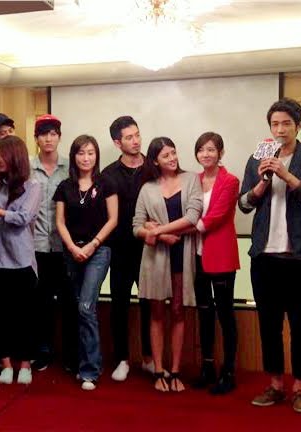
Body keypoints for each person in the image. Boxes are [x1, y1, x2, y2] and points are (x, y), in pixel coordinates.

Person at [239, 98, 301, 414]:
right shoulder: (258, 158)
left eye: (286, 123)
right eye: (275, 124)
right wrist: (262, 183)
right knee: (269, 326)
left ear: (298, 126)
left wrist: (287, 175)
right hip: (265, 258)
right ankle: (276, 385)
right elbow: (244, 204)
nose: (279, 129)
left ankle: (300, 388)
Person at [133, 137, 202, 392]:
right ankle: (159, 371)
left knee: (178, 310)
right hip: (155, 258)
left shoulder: (191, 179)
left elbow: (193, 218)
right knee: (157, 314)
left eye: (173, 153)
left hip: (183, 254)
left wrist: (157, 229)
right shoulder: (147, 188)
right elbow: (136, 226)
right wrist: (158, 236)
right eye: (165, 155)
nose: (172, 158)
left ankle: (175, 371)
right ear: (155, 161)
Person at [0, 135, 41, 386]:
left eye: (2, 155)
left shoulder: (32, 185)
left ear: (15, 156)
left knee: (24, 316)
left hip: (21, 260)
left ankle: (24, 364)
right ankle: (5, 364)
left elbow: (22, 218)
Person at [54, 134, 118, 391]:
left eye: (90, 153)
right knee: (77, 307)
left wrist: (93, 245)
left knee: (86, 306)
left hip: (98, 252)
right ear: (73, 156)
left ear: (96, 156)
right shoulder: (65, 186)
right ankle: (82, 363)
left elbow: (113, 219)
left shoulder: (106, 183)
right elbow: (60, 222)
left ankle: (90, 369)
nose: (86, 158)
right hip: (72, 251)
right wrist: (72, 247)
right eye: (81, 153)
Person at [102, 116, 153, 382]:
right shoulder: (108, 174)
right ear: (117, 143)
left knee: (150, 305)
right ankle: (121, 359)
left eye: (137, 135)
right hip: (120, 249)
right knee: (119, 305)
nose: (136, 141)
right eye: (129, 137)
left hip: (150, 249)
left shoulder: (153, 168)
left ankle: (149, 357)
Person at [192, 132, 240, 394]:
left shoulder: (230, 181)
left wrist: (180, 229)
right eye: (201, 150)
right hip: (197, 254)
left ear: (220, 153)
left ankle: (228, 371)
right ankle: (207, 366)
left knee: (225, 313)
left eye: (211, 149)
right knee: (204, 311)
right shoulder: (193, 180)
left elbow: (216, 216)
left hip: (221, 255)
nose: (206, 154)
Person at [30, 114, 77, 373]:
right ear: (36, 138)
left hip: (66, 247)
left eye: (53, 134)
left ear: (59, 137)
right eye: (43, 134)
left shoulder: (71, 167)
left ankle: (71, 355)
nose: (48, 139)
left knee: (70, 301)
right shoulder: (27, 168)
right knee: (40, 303)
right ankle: (43, 352)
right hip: (36, 247)